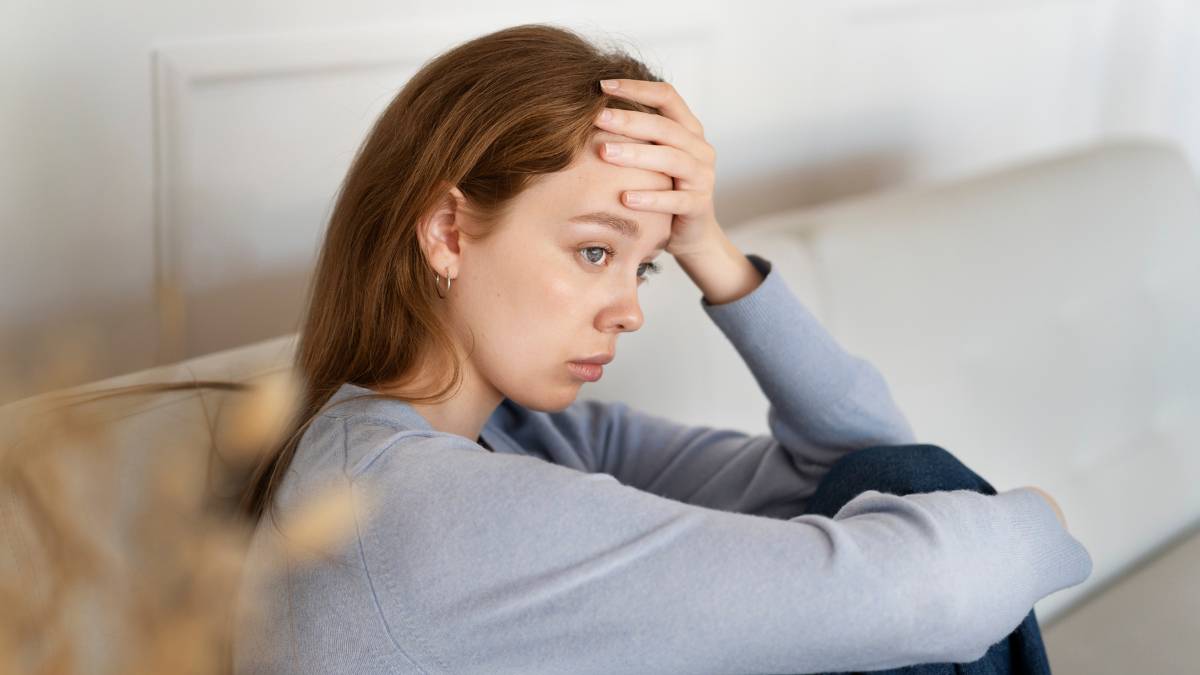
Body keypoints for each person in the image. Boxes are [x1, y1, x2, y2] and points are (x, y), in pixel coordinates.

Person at [232, 23, 1092, 674]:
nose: (630, 311)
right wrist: (1042, 520)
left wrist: (708, 247)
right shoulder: (408, 503)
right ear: (449, 231)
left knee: (912, 485)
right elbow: (924, 591)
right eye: (595, 251)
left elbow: (874, 457)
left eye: (644, 268)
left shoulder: (530, 436)